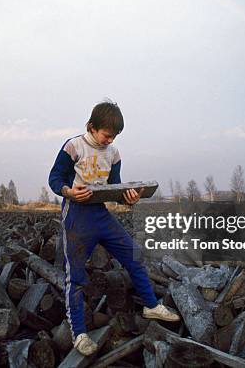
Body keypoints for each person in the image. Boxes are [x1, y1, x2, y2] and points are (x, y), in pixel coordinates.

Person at [48, 99, 180, 356]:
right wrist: (68, 191)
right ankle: (80, 334)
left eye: (115, 136)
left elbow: (114, 186)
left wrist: (127, 198)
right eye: (107, 135)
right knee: (74, 276)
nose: (110, 140)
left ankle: (151, 305)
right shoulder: (73, 146)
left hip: (101, 214)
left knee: (134, 254)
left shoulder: (114, 153)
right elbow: (55, 178)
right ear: (92, 126)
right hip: (76, 214)